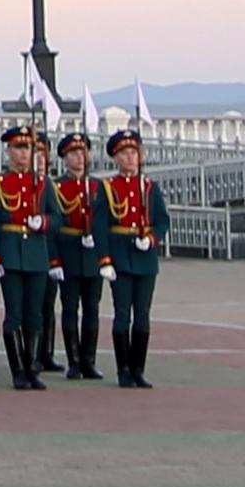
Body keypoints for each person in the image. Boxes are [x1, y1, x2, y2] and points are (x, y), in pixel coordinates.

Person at [95, 127, 169, 386]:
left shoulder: (149, 187)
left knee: (143, 316)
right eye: (124, 153)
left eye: (134, 152)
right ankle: (123, 370)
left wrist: (151, 239)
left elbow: (161, 220)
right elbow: (100, 225)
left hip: (144, 258)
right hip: (120, 257)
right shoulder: (108, 187)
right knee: (122, 315)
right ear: (116, 158)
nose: (130, 158)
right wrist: (104, 259)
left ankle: (139, 369)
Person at [0, 122, 54, 391]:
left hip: (37, 254)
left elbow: (57, 217)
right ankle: (18, 371)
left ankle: (32, 367)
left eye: (27, 147)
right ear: (8, 151)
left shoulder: (41, 183)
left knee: (35, 315)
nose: (23, 153)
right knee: (14, 313)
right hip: (11, 253)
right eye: (18, 147)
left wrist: (45, 222)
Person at [50, 127, 106, 380]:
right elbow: (54, 226)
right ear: (64, 158)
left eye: (82, 152)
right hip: (69, 250)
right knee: (70, 307)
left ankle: (89, 361)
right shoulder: (57, 187)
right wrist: (55, 259)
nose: (79, 158)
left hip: (93, 255)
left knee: (92, 309)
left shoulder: (97, 186)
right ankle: (73, 361)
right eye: (73, 153)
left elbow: (105, 219)